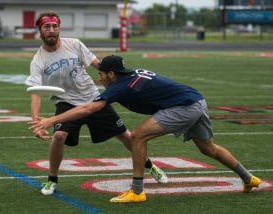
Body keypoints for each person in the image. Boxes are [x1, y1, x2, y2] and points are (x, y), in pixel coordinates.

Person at [29, 55, 262, 203]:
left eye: (100, 74)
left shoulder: (119, 86)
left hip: (184, 107)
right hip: (197, 101)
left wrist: (51, 120)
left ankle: (137, 191)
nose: (98, 78)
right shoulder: (130, 73)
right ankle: (248, 178)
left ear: (111, 74)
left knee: (138, 136)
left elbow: (88, 109)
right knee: (208, 148)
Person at [25, 12, 167, 196]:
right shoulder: (38, 60)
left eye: (54, 26)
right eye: (46, 27)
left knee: (125, 136)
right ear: (40, 30)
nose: (51, 30)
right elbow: (35, 92)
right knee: (59, 135)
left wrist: (118, 78)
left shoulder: (74, 44)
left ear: (58, 28)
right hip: (66, 102)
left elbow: (99, 65)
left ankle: (150, 165)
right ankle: (52, 179)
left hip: (92, 98)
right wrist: (36, 121)